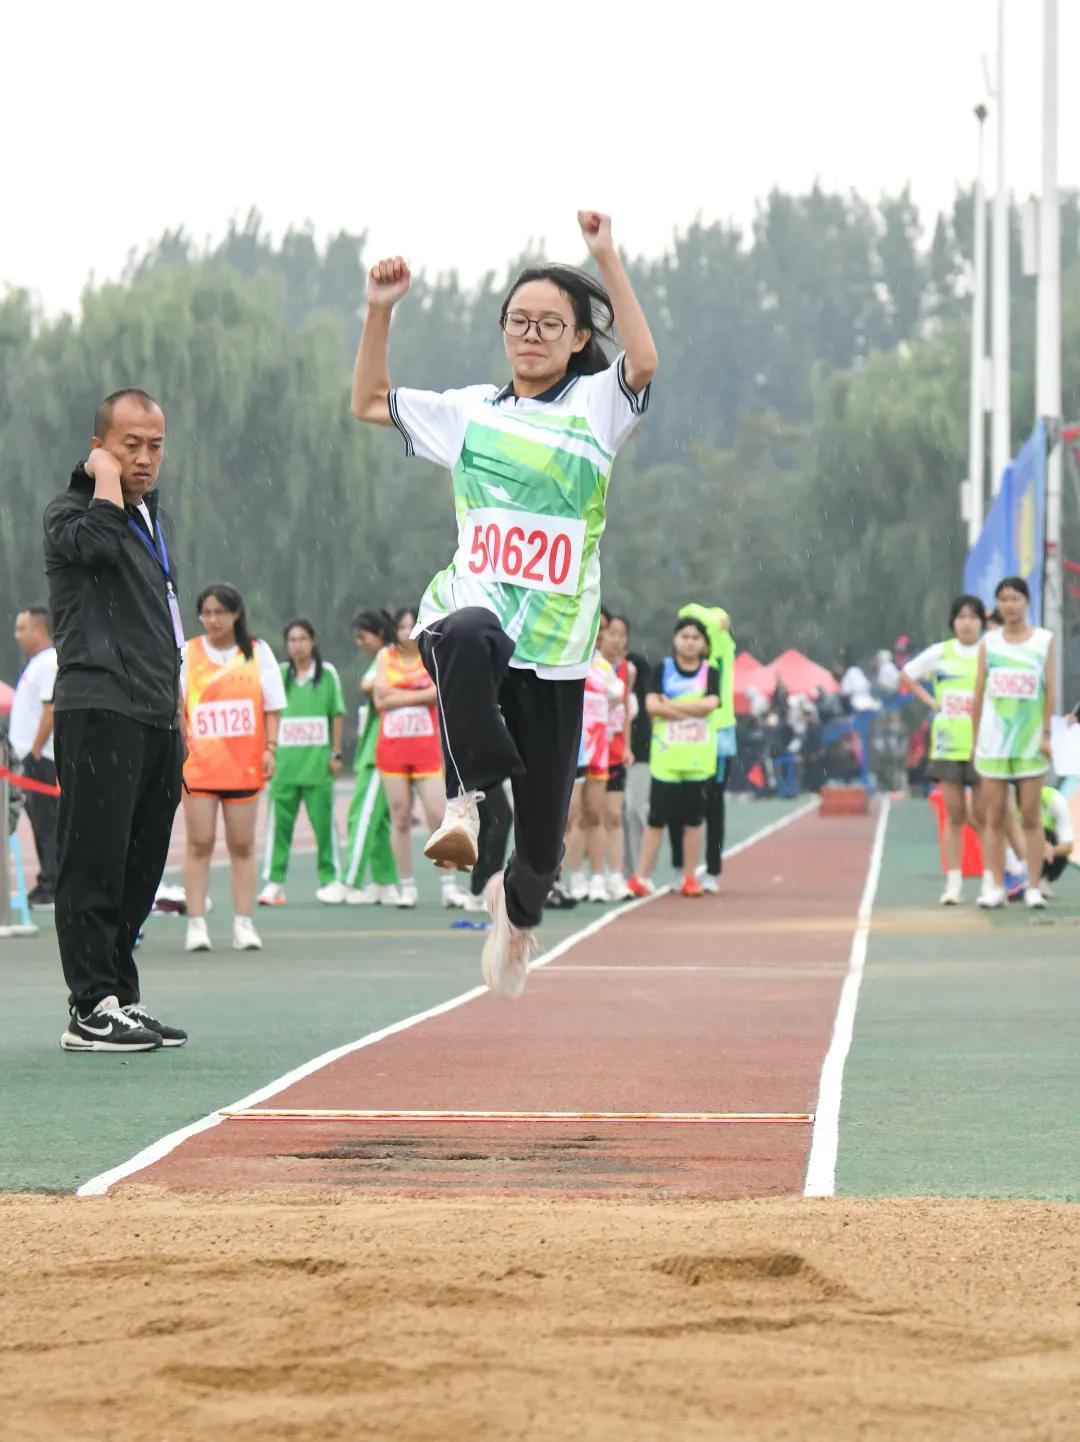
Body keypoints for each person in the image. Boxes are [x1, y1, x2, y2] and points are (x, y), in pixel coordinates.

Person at [351, 211, 657, 996]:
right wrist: (380, 310)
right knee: (464, 631)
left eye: (550, 324)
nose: (532, 335)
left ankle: (515, 915)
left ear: (579, 338)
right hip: (475, 605)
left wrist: (606, 257)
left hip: (555, 649)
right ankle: (468, 801)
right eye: (519, 321)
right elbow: (369, 400)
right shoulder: (469, 413)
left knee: (547, 853)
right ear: (503, 330)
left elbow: (645, 361)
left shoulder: (597, 408)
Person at [43, 387, 186, 1051]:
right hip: (100, 706)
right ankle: (88, 1006)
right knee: (93, 861)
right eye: (130, 445)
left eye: (155, 445)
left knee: (140, 864)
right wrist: (101, 482)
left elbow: (163, 615)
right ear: (100, 444)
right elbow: (95, 551)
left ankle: (120, 995)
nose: (145, 458)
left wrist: (177, 700)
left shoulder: (149, 519)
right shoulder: (72, 513)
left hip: (156, 712)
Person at [181, 583, 285, 951]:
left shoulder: (257, 653)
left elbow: (273, 706)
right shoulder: (189, 653)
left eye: (219, 612)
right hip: (200, 766)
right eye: (206, 612)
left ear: (236, 614)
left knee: (242, 845)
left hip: (244, 765)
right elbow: (179, 709)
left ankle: (243, 924)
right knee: (199, 843)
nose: (212, 619)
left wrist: (271, 747)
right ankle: (196, 925)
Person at [971, 576, 1055, 910]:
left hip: (1029, 741)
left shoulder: (1043, 641)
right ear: (998, 605)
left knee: (1031, 816)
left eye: (1016, 598)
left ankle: (1033, 886)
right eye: (1003, 599)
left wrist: (1046, 733)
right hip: (994, 742)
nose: (1010, 605)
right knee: (992, 817)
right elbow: (978, 693)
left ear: (1027, 602)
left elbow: (1049, 690)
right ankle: (994, 885)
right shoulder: (988, 643)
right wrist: (976, 738)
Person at [374, 607, 465, 910]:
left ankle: (449, 886)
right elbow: (379, 699)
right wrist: (418, 693)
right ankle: (407, 886)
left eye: (412, 626)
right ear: (394, 631)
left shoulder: (432, 654)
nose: (406, 631)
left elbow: (438, 693)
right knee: (400, 817)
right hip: (392, 751)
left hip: (426, 751)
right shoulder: (385, 658)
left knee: (438, 816)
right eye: (401, 626)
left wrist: (398, 695)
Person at [901, 595, 988, 906]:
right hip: (948, 744)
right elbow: (907, 675)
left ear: (982, 622)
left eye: (973, 617)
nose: (967, 623)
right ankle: (954, 883)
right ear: (953, 622)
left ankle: (994, 879)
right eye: (961, 617)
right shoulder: (941, 652)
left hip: (983, 745)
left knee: (983, 815)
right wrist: (932, 703)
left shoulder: (989, 651)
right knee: (954, 815)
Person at [627, 617, 719, 899]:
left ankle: (690, 877)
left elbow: (711, 704)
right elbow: (652, 706)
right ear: (675, 639)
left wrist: (672, 706)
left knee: (694, 820)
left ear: (703, 643)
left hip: (697, 760)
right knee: (656, 820)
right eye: (684, 636)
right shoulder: (662, 669)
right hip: (666, 759)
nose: (690, 642)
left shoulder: (709, 672)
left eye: (695, 637)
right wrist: (691, 709)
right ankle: (641, 877)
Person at [258, 619, 347, 907]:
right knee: (279, 828)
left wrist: (335, 753)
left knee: (324, 827)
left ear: (313, 641)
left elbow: (336, 715)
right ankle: (274, 882)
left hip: (317, 767)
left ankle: (331, 879)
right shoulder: (279, 674)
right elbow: (268, 713)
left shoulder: (328, 674)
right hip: (285, 767)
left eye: (302, 639)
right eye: (292, 640)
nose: (297, 645)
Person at [672, 604, 736, 893]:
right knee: (681, 805)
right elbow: (686, 609)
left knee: (714, 805)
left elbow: (717, 618)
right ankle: (680, 868)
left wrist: (719, 619)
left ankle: (712, 870)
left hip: (720, 734)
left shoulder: (724, 646)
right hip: (687, 736)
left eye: (701, 635)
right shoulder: (680, 663)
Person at [342, 609, 399, 905]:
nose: (359, 643)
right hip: (372, 748)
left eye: (362, 637)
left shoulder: (389, 658)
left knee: (360, 817)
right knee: (377, 822)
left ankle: (349, 882)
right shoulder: (388, 660)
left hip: (381, 750)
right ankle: (385, 882)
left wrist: (385, 688)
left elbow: (368, 686)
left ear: (379, 635)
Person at [564, 614, 622, 902]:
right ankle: (575, 877)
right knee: (572, 817)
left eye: (602, 630)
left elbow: (616, 700)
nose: (598, 635)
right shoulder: (567, 660)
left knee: (594, 815)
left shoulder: (603, 667)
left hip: (598, 751)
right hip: (572, 750)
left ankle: (598, 877)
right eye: (594, 628)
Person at [10, 606, 59, 908]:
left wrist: (36, 749)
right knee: (41, 821)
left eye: (21, 628)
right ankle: (48, 879)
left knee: (48, 821)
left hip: (40, 757)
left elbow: (50, 708)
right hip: (29, 757)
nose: (17, 635)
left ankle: (53, 884)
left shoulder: (50, 661)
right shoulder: (37, 664)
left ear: (39, 629)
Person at [598, 613, 635, 900]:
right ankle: (590, 877)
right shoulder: (589, 666)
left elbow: (625, 712)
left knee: (614, 815)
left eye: (623, 635)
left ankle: (615, 876)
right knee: (589, 816)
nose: (616, 639)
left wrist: (627, 746)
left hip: (615, 750)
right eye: (612, 633)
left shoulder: (628, 670)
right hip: (593, 749)